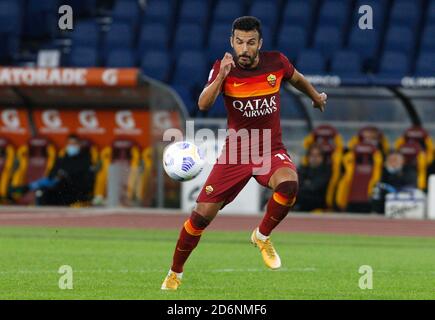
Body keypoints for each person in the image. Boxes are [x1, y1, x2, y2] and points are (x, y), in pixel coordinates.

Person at [161, 16, 327, 290]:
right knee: (201, 216)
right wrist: (223, 75)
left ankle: (261, 236)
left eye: (251, 43)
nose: (245, 49)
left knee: (288, 184)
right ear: (232, 42)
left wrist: (315, 96)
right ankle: (174, 273)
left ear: (260, 43)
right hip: (236, 153)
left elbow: (297, 78)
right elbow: (203, 104)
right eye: (239, 42)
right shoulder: (222, 67)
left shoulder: (277, 62)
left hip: (269, 149)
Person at [9, 134, 95, 206]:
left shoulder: (85, 159)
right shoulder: (62, 158)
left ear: (79, 145)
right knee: (46, 187)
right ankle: (27, 188)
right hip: (58, 186)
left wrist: (66, 175)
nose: (71, 146)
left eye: (74, 144)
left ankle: (27, 188)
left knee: (52, 182)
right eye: (70, 144)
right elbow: (52, 173)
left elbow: (84, 177)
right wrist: (58, 175)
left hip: (74, 188)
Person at [294, 144, 331, 211]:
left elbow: (314, 187)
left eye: (318, 155)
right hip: (302, 201)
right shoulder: (303, 169)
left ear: (322, 157)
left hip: (318, 203)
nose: (314, 158)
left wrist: (306, 184)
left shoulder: (326, 170)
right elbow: (296, 185)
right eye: (312, 155)